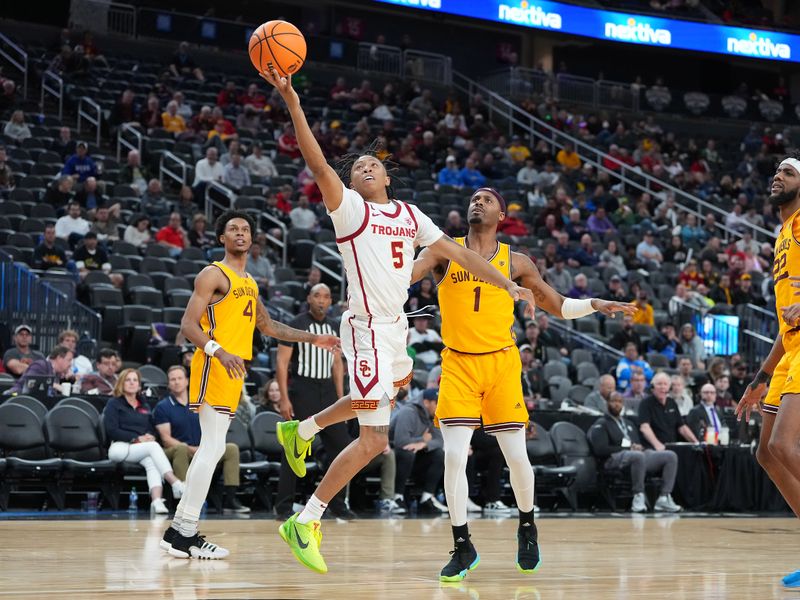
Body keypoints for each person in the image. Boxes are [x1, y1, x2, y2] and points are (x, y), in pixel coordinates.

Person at [259, 69, 536, 575]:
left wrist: (508, 284)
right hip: (365, 327)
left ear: (387, 177)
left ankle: (302, 430)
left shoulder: (410, 215)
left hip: (396, 330)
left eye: (372, 164)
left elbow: (455, 252)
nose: (364, 167)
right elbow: (316, 161)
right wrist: (292, 99)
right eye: (357, 166)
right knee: (373, 440)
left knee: (380, 408)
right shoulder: (348, 212)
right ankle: (307, 519)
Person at [411, 186, 634, 581]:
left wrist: (594, 304)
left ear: (501, 215)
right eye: (473, 199)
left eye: (486, 199)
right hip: (459, 364)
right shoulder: (443, 250)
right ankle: (463, 546)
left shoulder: (516, 262)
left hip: (500, 364)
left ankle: (527, 525)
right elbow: (401, 279)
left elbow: (556, 303)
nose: (477, 202)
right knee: (453, 456)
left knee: (517, 456)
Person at [160, 210, 338, 560]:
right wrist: (219, 350)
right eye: (233, 229)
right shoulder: (213, 274)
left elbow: (269, 327)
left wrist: (312, 339)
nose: (241, 233)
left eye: (246, 229)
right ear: (221, 238)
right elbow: (188, 325)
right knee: (211, 449)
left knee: (212, 449)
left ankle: (179, 531)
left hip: (231, 370)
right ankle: (185, 532)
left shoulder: (250, 282)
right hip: (213, 364)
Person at [736, 155, 800, 589]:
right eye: (776, 171)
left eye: (790, 172)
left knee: (784, 443)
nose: (778, 176)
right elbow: (785, 324)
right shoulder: (782, 234)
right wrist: (757, 380)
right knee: (765, 453)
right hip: (790, 351)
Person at [274, 283, 356, 519]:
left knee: (342, 447)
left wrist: (341, 398)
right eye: (317, 296)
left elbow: (338, 364)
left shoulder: (334, 326)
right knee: (293, 449)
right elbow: (281, 363)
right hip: (303, 390)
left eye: (326, 296)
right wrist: (284, 398)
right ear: (309, 298)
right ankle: (283, 506)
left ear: (331, 301)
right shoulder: (297, 324)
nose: (322, 300)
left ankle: (337, 503)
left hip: (329, 392)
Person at [154, 366, 250, 514]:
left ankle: (230, 500)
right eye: (173, 379)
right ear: (168, 384)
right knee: (181, 449)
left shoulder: (200, 402)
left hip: (203, 447)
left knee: (231, 449)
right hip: (178, 450)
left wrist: (205, 447)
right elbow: (166, 439)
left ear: (187, 381)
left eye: (180, 378)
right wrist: (191, 448)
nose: (177, 382)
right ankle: (185, 498)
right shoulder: (163, 406)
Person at [104, 368, 185, 515]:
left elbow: (151, 427)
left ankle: (156, 501)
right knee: (153, 448)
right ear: (121, 383)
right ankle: (175, 483)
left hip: (140, 449)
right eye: (128, 380)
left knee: (151, 461)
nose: (132, 383)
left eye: (135, 380)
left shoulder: (144, 404)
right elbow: (112, 430)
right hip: (119, 447)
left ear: (139, 385)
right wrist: (136, 438)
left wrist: (150, 436)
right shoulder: (114, 403)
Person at [589, 391, 681, 513]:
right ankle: (638, 495)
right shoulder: (602, 423)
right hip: (612, 459)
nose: (616, 404)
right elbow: (600, 449)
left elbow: (636, 445)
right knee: (637, 456)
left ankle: (664, 497)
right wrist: (628, 449)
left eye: (619, 401)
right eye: (613, 401)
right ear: (607, 403)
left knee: (670, 456)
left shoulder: (629, 423)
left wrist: (639, 447)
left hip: (636, 457)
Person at [390, 387, 446, 514]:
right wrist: (422, 439)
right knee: (407, 453)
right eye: (436, 403)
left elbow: (439, 441)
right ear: (426, 402)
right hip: (396, 454)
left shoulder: (434, 416)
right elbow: (401, 441)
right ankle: (397, 496)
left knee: (439, 454)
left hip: (416, 456)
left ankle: (427, 497)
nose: (439, 406)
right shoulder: (408, 412)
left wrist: (423, 444)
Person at [638, 372, 699, 460]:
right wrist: (658, 445)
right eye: (659, 384)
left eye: (665, 384)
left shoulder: (672, 403)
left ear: (669, 387)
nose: (662, 387)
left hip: (672, 447)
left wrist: (696, 442)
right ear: (653, 387)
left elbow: (682, 427)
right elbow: (644, 428)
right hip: (653, 448)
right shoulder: (645, 403)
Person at [8, 344, 73, 397]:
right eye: (69, 360)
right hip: (15, 399)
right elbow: (30, 385)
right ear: (59, 358)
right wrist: (54, 385)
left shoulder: (57, 373)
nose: (70, 364)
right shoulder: (40, 365)